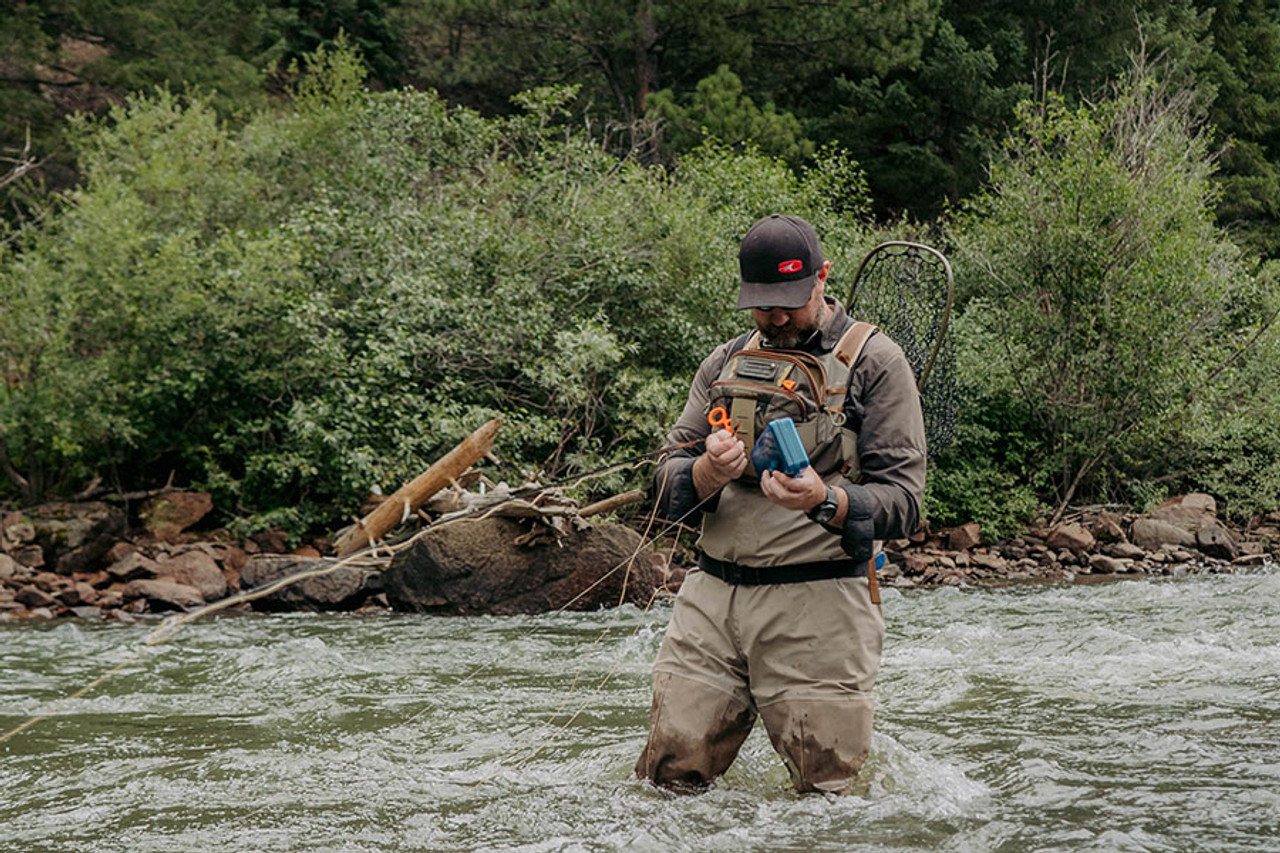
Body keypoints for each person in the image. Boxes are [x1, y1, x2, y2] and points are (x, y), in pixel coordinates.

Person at [634, 213, 927, 794]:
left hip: (819, 605)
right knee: (664, 786)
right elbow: (663, 485)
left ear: (822, 278)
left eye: (789, 301)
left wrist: (826, 498)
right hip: (712, 602)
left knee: (827, 798)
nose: (775, 317)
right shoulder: (723, 363)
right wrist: (706, 471)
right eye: (763, 303)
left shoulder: (876, 363)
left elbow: (906, 503)